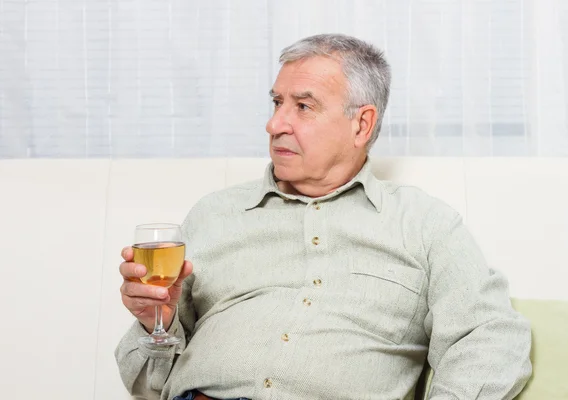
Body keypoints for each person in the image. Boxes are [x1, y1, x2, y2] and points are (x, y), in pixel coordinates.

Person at [115, 33, 532, 400]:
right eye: (277, 102)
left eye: (303, 106)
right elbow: (147, 384)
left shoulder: (424, 224)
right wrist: (159, 322)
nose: (274, 123)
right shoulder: (214, 214)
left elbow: (490, 336)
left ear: (361, 124)